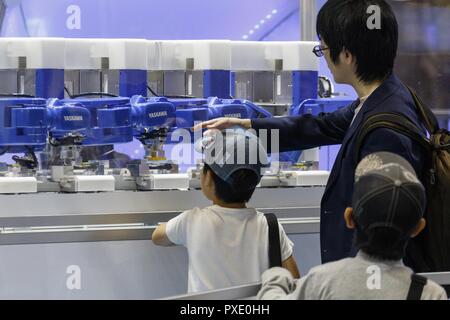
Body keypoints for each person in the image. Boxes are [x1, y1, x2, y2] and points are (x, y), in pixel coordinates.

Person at [193, 0, 428, 269]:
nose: (325, 59)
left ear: (347, 55)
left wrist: (345, 283)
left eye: (324, 49)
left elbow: (382, 225)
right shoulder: (384, 98)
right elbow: (321, 126)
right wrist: (249, 125)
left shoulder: (385, 129)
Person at [257, 152, 447, 300]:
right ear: (418, 228)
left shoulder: (322, 281)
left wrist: (277, 277)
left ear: (349, 217)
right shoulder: (430, 293)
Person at [152, 128, 300, 293]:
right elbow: (293, 280)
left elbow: (158, 237)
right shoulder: (270, 225)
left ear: (207, 179)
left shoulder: (192, 220)